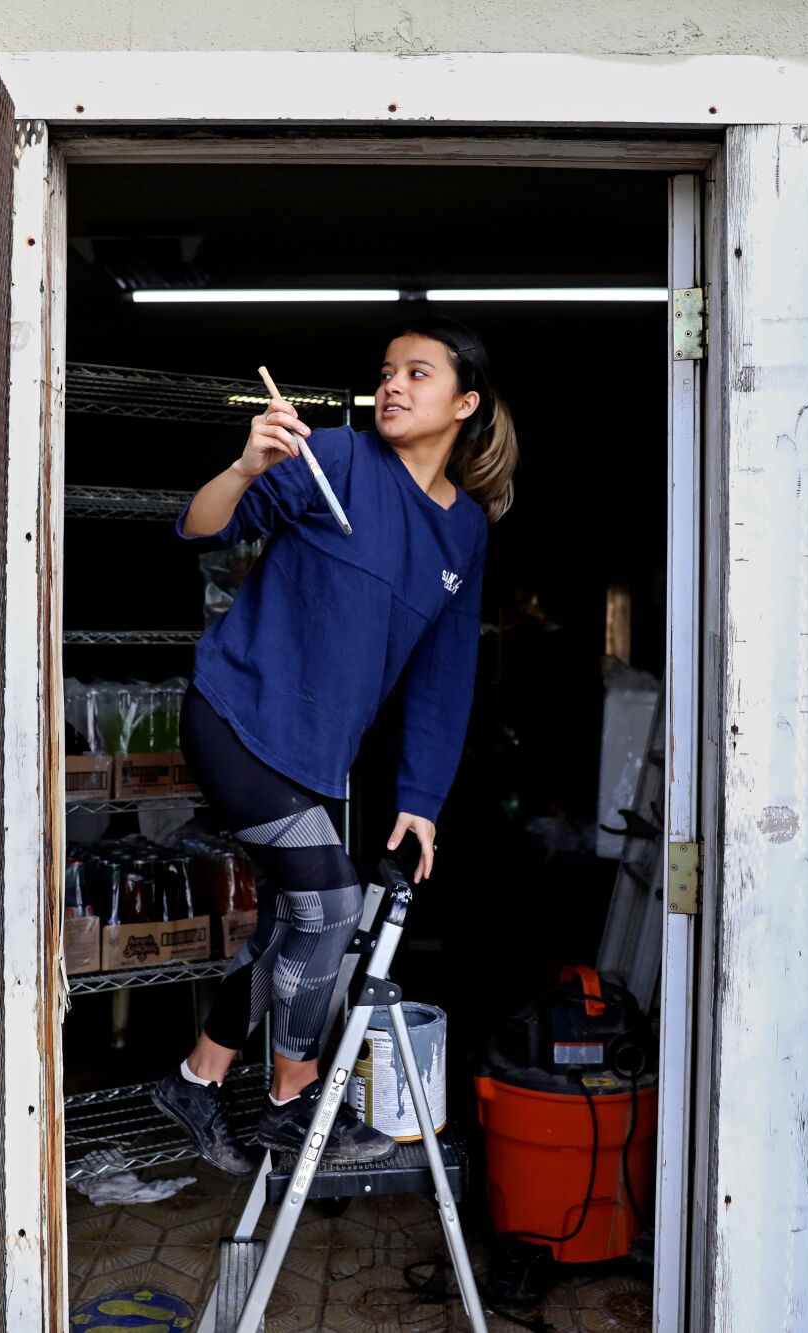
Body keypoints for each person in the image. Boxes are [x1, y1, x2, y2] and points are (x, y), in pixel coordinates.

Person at [149, 315, 518, 1174]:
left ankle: (197, 1079)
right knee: (331, 904)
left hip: (314, 754)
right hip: (237, 718)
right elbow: (201, 529)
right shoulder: (339, 458)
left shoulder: (463, 532)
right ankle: (293, 1095)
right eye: (387, 370)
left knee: (292, 919)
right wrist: (247, 466)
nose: (393, 384)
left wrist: (421, 802)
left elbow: (442, 676)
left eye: (418, 374)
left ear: (464, 403)